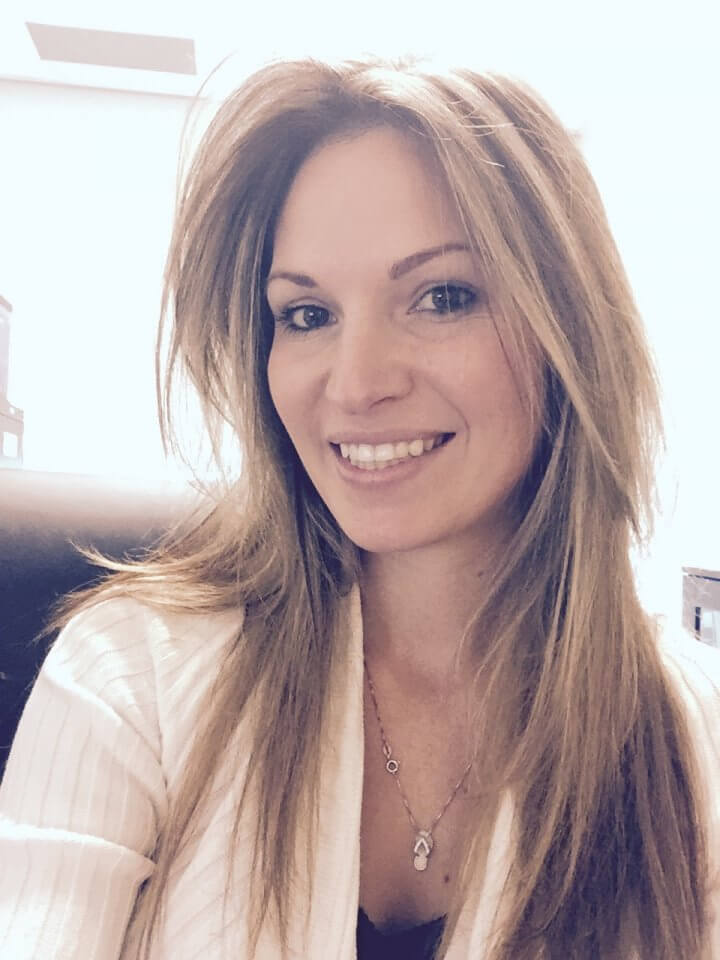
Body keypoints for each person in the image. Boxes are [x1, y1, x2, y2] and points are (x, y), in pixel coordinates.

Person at [1, 52, 719, 960]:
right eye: (306, 315)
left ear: (566, 330)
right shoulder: (132, 675)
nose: (356, 383)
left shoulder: (693, 744)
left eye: (442, 297)